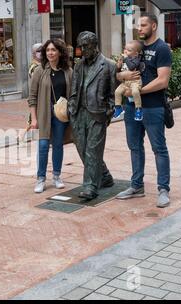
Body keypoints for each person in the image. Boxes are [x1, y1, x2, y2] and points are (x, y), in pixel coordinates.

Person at [115, 13, 172, 208]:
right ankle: (136, 186)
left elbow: (163, 80)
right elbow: (119, 72)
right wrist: (124, 75)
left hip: (153, 106)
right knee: (134, 147)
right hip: (131, 107)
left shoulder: (162, 48)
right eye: (138, 25)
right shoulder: (133, 48)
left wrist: (138, 91)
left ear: (154, 26)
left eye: (144, 25)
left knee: (159, 148)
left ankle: (163, 189)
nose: (139, 28)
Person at [67, 31, 116, 200]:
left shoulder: (109, 65)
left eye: (86, 46)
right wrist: (71, 108)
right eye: (81, 46)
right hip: (79, 113)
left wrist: (109, 111)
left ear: (95, 46)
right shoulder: (79, 65)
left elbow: (112, 93)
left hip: (98, 113)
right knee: (83, 149)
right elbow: (74, 89)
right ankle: (105, 176)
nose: (82, 50)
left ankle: (90, 186)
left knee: (93, 150)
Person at [28, 39, 73, 193]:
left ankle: (57, 176)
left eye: (53, 50)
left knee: (58, 145)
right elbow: (32, 97)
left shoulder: (68, 71)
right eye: (47, 50)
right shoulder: (39, 71)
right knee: (43, 146)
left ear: (60, 52)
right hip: (44, 114)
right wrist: (34, 119)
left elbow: (73, 94)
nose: (50, 53)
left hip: (61, 115)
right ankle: (40, 178)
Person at [114, 40, 145, 121]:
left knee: (135, 92)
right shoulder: (125, 59)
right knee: (117, 91)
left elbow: (131, 67)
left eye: (129, 50)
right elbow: (119, 71)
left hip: (135, 81)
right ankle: (118, 108)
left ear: (136, 53)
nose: (126, 51)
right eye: (125, 49)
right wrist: (118, 66)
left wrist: (126, 58)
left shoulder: (136, 59)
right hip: (125, 82)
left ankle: (138, 109)